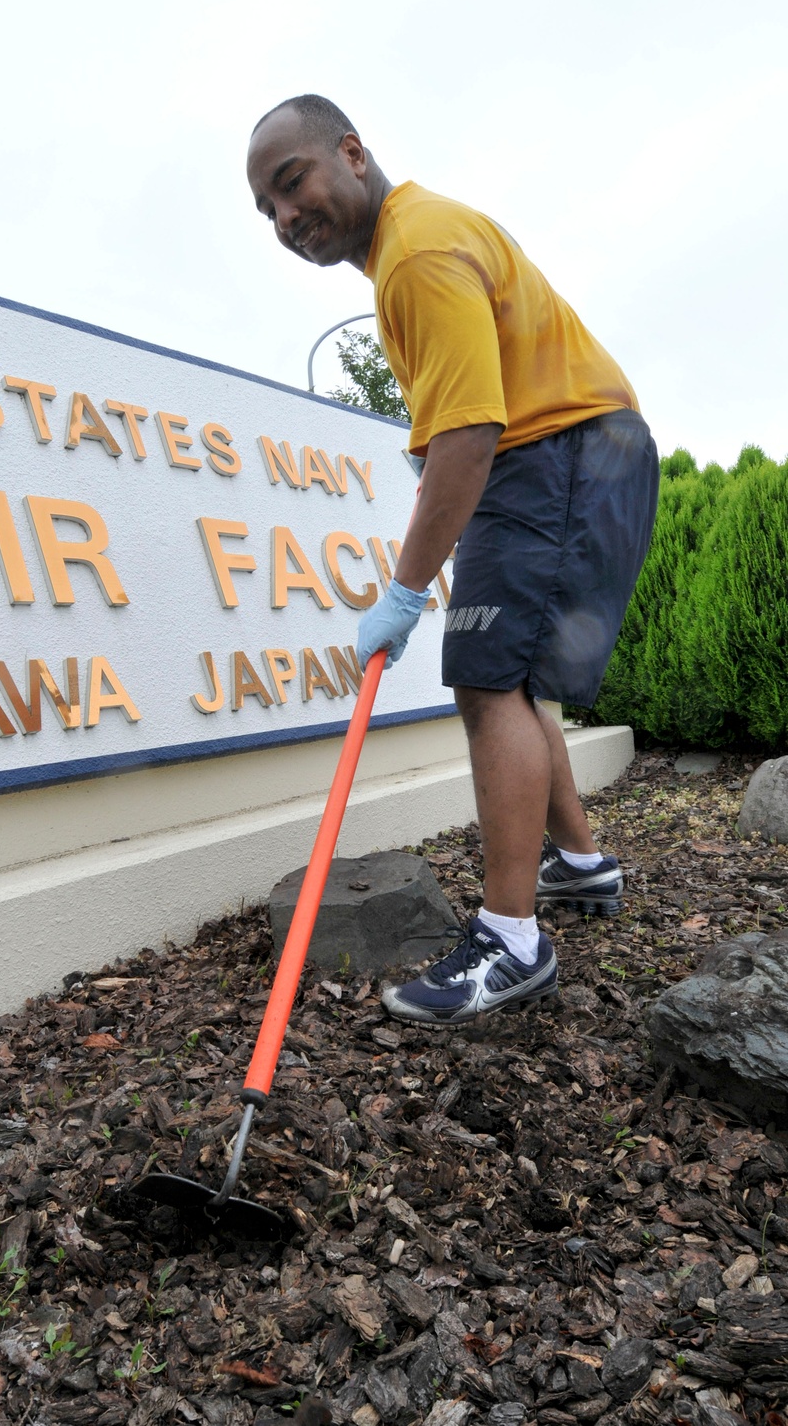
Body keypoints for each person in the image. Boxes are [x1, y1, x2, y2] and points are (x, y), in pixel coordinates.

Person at [246, 94, 659, 1027]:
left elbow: (471, 430)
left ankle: (511, 941)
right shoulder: (406, 252)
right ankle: (582, 866)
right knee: (509, 678)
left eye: (291, 183)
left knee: (483, 681)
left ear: (351, 153)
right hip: (565, 455)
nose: (283, 218)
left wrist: (401, 589)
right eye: (264, 210)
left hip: (555, 452)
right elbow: (453, 436)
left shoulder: (419, 253)